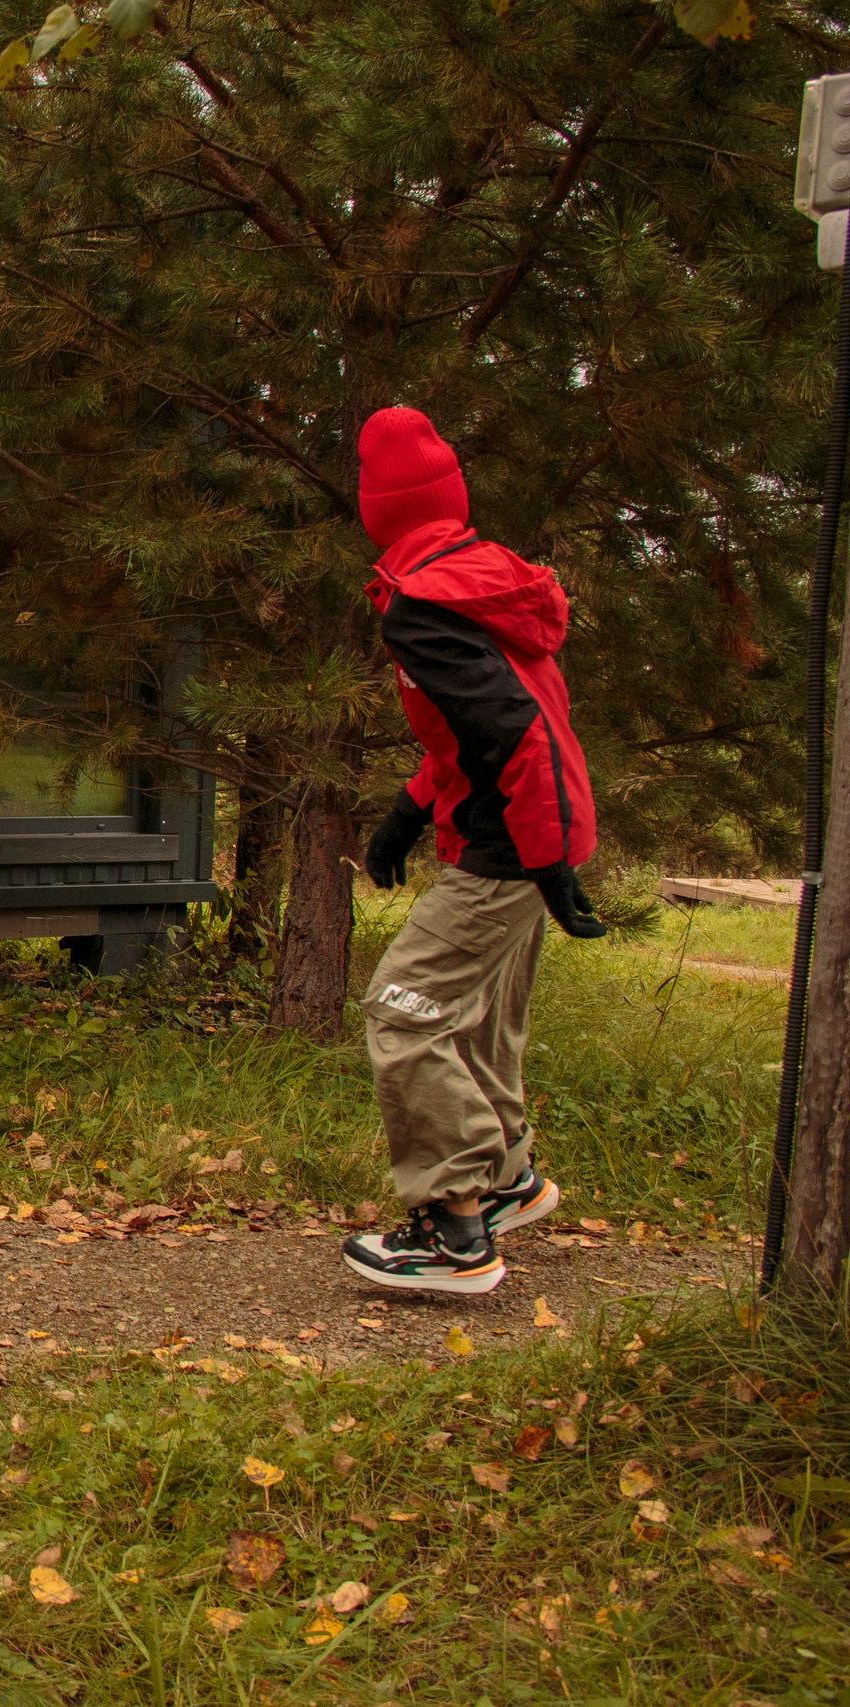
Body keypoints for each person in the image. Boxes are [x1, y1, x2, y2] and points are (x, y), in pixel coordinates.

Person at [339, 407, 606, 1297]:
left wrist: (544, 860)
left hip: (513, 844)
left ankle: (453, 1231)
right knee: (480, 1018)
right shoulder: (474, 581)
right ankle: (508, 1181)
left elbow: (518, 733)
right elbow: (472, 734)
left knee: (404, 1013)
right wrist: (408, 816)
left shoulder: (423, 603)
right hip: (527, 833)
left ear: (379, 508)